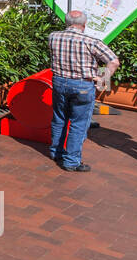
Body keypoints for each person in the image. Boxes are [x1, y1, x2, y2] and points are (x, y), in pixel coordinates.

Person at [48, 9, 118, 172]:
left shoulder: (53, 36)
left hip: (59, 82)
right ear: (84, 25)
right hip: (82, 85)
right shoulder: (92, 41)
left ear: (67, 22)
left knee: (59, 118)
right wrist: (102, 79)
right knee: (79, 124)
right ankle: (71, 161)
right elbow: (113, 61)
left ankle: (56, 152)